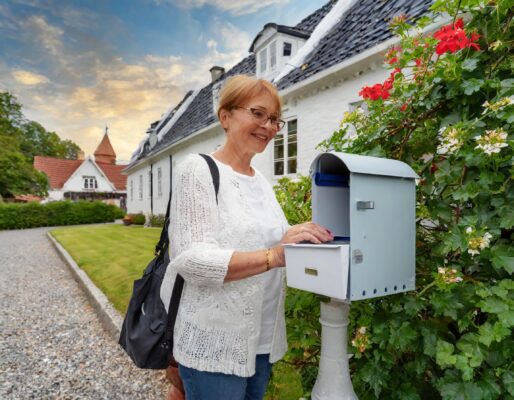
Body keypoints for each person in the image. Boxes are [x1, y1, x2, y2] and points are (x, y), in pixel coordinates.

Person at [160, 74, 333, 400]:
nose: (268, 126)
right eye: (257, 113)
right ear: (225, 116)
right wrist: (274, 255)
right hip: (215, 342)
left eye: (274, 120)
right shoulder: (197, 169)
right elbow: (191, 259)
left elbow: (264, 240)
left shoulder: (261, 182)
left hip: (262, 340)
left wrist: (294, 236)